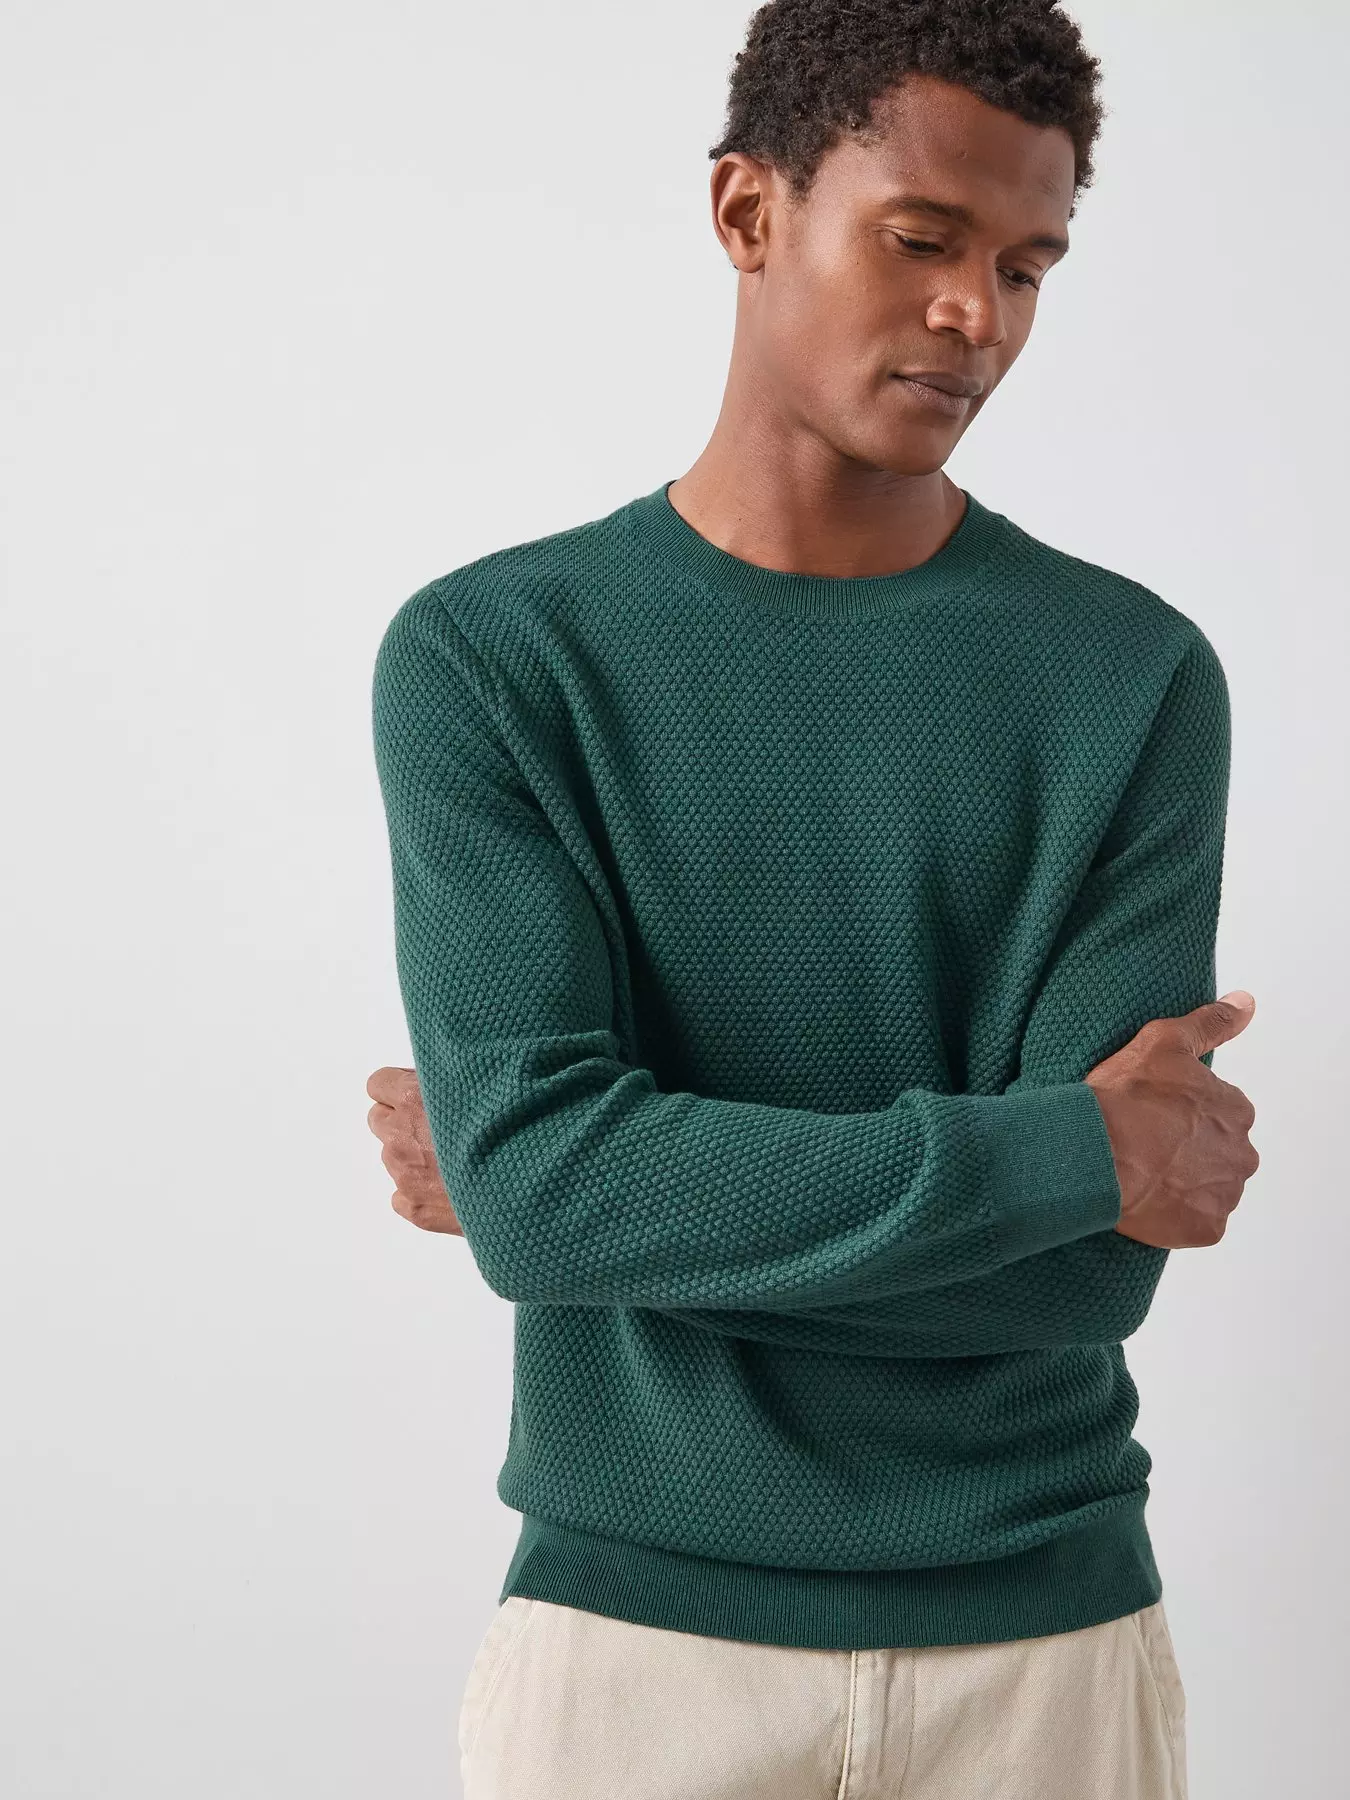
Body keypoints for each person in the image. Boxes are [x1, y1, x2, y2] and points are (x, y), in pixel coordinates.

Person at [367, 3, 1260, 1794]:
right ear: (746, 211)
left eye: (1026, 267)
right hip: (630, 1655)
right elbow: (553, 1197)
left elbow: (1088, 1270)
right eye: (922, 239)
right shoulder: (495, 657)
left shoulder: (1132, 677)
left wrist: (614, 1206)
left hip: (1043, 1653)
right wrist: (1063, 1153)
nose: (977, 315)